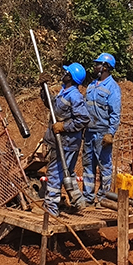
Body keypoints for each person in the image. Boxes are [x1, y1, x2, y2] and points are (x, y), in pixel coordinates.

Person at [43, 62, 90, 216]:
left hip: (67, 143)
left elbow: (83, 119)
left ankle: (51, 209)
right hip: (62, 141)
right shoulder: (64, 91)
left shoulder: (74, 96)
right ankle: (78, 201)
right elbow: (51, 106)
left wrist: (64, 127)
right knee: (66, 173)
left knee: (56, 174)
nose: (63, 74)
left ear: (71, 77)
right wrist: (42, 89)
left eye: (66, 72)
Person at [81, 52, 121, 204]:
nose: (94, 66)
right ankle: (88, 197)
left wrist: (110, 133)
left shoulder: (113, 87)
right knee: (88, 164)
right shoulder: (92, 85)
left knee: (104, 165)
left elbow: (115, 113)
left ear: (105, 67)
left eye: (97, 64)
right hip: (90, 132)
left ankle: (103, 198)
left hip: (103, 133)